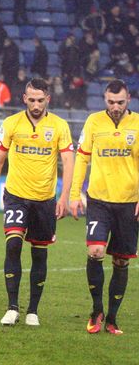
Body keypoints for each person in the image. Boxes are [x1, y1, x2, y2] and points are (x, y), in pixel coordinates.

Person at [0, 78, 74, 326]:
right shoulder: (11, 123)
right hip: (15, 196)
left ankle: (33, 310)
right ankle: (12, 307)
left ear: (48, 100)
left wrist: (64, 196)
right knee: (13, 245)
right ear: (24, 98)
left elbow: (68, 162)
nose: (35, 104)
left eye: (40, 100)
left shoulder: (59, 126)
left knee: (39, 254)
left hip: (44, 200)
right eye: (31, 99)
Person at [70, 79, 139, 335]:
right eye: (110, 102)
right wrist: (75, 193)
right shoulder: (94, 122)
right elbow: (82, 158)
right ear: (104, 99)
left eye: (120, 102)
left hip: (129, 202)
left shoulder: (138, 124)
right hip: (99, 200)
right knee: (96, 251)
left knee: (121, 261)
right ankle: (96, 310)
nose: (115, 107)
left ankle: (112, 318)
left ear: (128, 99)